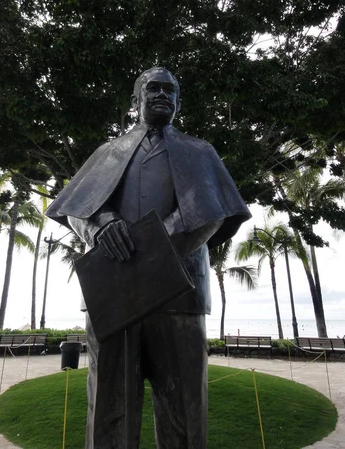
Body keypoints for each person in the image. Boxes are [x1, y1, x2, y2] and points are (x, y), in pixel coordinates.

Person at [46, 67, 251, 449]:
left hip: (179, 294)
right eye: (153, 88)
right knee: (109, 404)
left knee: (183, 407)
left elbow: (214, 211)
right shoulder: (107, 152)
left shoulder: (200, 152)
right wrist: (102, 224)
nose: (162, 94)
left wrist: (157, 246)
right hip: (114, 294)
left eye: (170, 90)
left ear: (178, 100)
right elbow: (76, 207)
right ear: (135, 100)